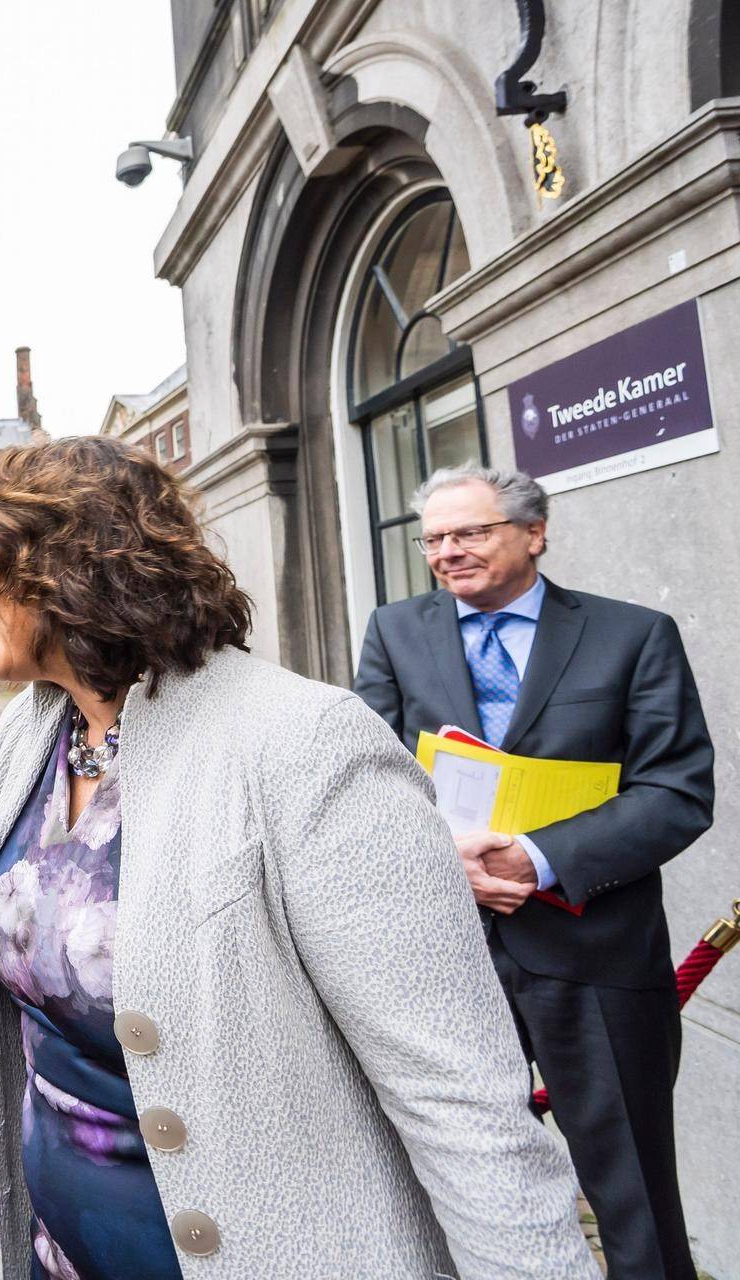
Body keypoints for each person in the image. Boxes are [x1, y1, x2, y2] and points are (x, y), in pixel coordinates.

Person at [0, 436, 597, 1279]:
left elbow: (466, 1111)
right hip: (68, 1247)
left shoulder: (307, 744)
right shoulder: (45, 724)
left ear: (72, 571)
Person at [353, 463, 715, 1280]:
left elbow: (677, 792)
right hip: (445, 955)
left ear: (533, 533)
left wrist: (538, 858)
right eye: (435, 539)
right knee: (461, 1189)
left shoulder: (634, 634)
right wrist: (447, 860)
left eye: (470, 532)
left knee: (633, 1201)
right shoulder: (394, 632)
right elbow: (366, 782)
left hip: (598, 957)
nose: (448, 553)